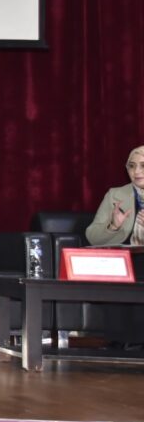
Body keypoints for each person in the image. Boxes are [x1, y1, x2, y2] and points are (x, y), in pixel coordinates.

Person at [84, 144, 144, 350]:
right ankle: (117, 340)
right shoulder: (116, 195)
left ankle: (137, 341)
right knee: (116, 270)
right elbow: (92, 237)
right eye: (132, 166)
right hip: (122, 257)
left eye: (143, 166)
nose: (136, 172)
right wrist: (113, 226)